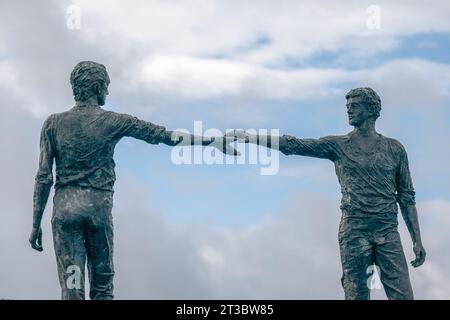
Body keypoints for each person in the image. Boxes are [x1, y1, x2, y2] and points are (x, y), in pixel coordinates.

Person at [29, 61, 237, 300]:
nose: (107, 91)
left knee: (72, 287)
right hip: (97, 211)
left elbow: (44, 177)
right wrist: (210, 141)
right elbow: (163, 136)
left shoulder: (52, 124)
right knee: (102, 285)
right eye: (106, 86)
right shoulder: (114, 121)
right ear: (97, 87)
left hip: (66, 214)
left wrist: (36, 224)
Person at [231, 87, 426, 299]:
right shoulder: (338, 145)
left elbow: (406, 197)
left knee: (404, 296)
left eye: (355, 106)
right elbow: (295, 145)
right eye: (348, 106)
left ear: (370, 110)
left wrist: (416, 240)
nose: (349, 110)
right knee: (356, 295)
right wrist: (252, 137)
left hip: (388, 231)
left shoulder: (394, 149)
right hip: (354, 231)